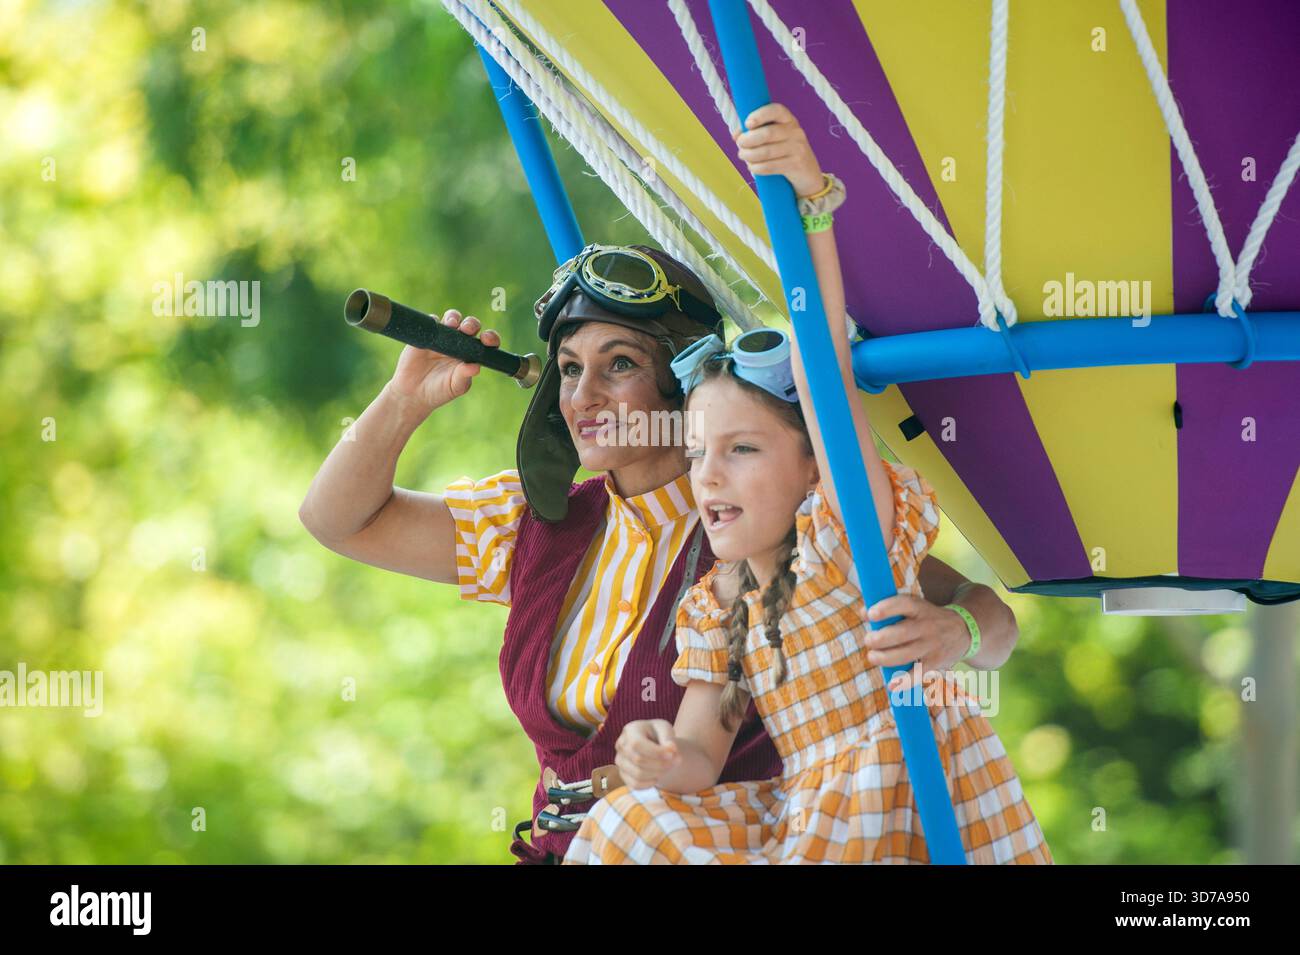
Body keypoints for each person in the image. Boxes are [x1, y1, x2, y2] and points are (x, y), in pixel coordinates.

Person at [298, 108, 1024, 865]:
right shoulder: (538, 523)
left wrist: (959, 633)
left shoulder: (777, 520)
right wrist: (404, 401)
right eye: (570, 368)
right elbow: (334, 520)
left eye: (618, 365)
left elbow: (991, 621)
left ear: (681, 385)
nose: (581, 396)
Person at [560, 103, 1052, 865]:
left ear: (813, 467)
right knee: (631, 821)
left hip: (909, 798)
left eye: (743, 449)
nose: (710, 473)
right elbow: (699, 755)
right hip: (814, 811)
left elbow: (824, 374)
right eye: (696, 453)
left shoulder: (843, 539)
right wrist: (652, 752)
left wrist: (810, 206)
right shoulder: (720, 604)